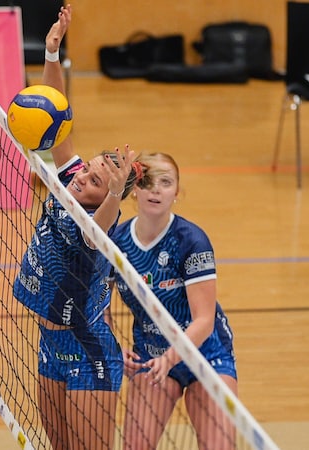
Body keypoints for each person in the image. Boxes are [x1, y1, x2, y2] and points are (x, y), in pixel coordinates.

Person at [12, 6, 139, 449]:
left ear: (105, 194)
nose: (83, 175)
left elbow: (94, 233)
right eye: (90, 170)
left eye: (96, 179)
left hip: (89, 351)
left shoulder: (98, 219)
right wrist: (52, 51)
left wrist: (112, 195)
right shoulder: (70, 176)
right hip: (50, 343)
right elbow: (56, 116)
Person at [110, 152, 238, 450]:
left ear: (176, 193)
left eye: (166, 182)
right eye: (149, 181)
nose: (156, 189)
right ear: (136, 189)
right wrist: (114, 346)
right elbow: (99, 304)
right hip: (151, 356)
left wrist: (170, 359)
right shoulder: (115, 242)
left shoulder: (192, 241)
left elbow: (204, 320)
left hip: (205, 357)